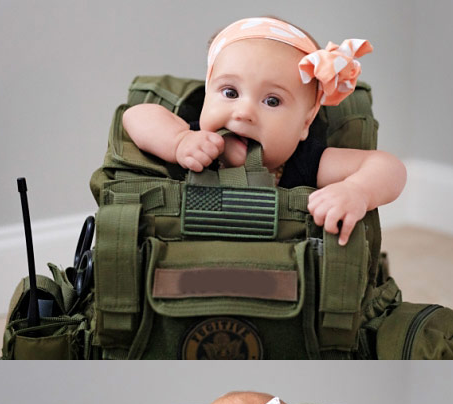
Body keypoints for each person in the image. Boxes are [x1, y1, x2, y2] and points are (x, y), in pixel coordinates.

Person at [121, 16, 406, 246]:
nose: (244, 113)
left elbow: (388, 167)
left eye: (272, 101)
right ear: (207, 94)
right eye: (230, 92)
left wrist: (357, 191)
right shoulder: (195, 142)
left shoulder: (305, 161)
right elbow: (136, 116)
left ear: (305, 123)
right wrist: (178, 140)